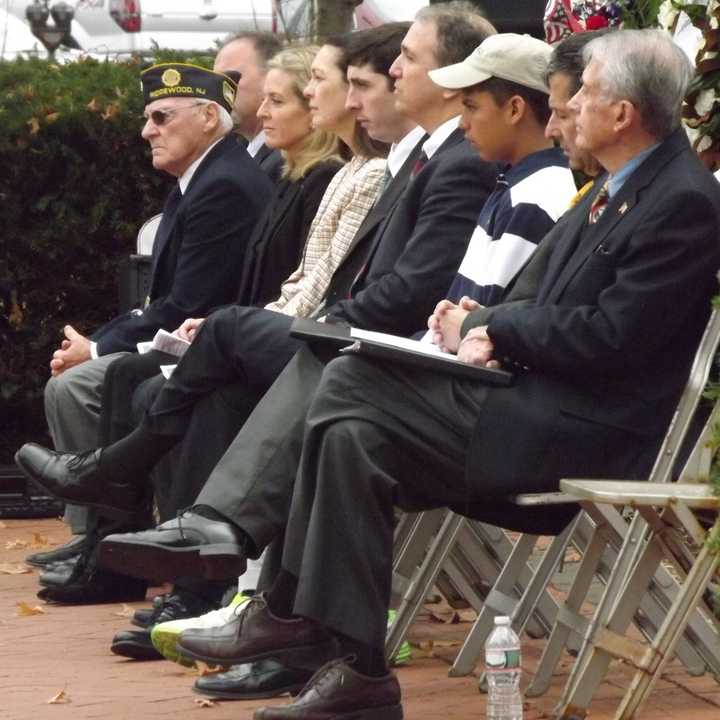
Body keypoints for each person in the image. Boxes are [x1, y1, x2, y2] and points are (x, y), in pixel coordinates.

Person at [116, 28, 720, 719]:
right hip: (525, 401)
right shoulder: (614, 186)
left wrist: (493, 329)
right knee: (351, 436)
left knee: (344, 373)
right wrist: (483, 322)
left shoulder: (682, 200)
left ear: (621, 114)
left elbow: (615, 337)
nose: (568, 109)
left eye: (583, 94)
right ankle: (357, 671)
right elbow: (532, 294)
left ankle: (266, 587)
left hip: (576, 432)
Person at [31, 63, 272, 570]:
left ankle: (112, 543)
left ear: (209, 116)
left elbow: (188, 304)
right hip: (197, 337)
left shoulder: (223, 184)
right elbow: (164, 301)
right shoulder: (200, 176)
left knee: (83, 382)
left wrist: (94, 348)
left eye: (162, 117)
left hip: (215, 343)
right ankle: (101, 539)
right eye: (147, 118)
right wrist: (94, 344)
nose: (147, 131)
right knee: (90, 376)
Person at [213, 31, 284, 182]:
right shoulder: (238, 154)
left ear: (272, 78)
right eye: (216, 81)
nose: (219, 90)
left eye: (230, 78)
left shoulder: (285, 162)